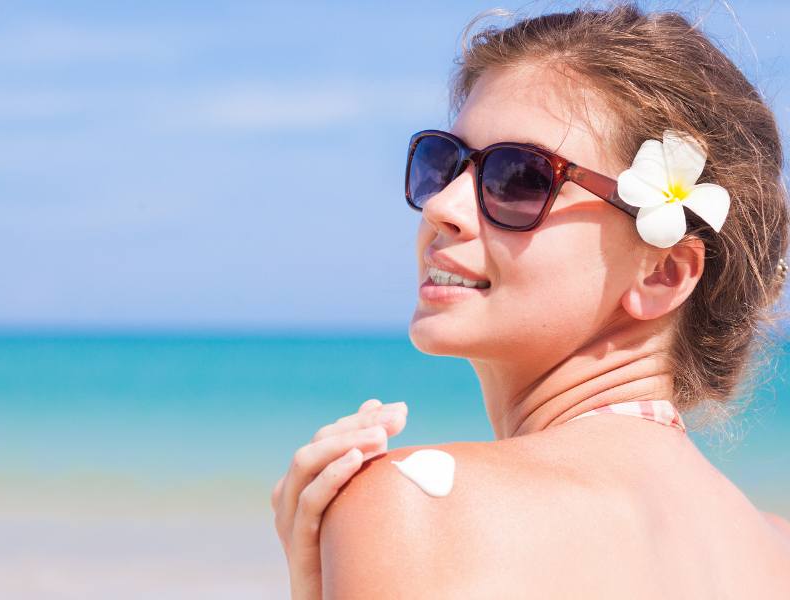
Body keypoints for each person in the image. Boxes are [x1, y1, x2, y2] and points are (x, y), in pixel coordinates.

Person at [271, 4, 790, 598]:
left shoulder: (417, 506)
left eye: (520, 178)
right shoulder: (779, 550)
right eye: (442, 164)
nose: (443, 206)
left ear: (664, 273)